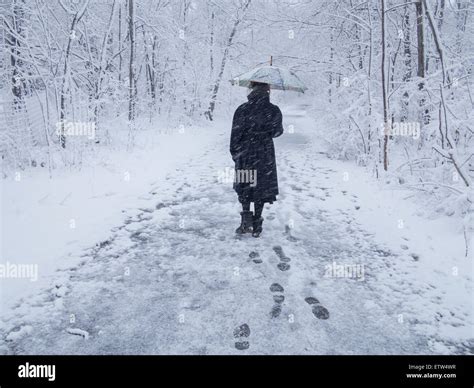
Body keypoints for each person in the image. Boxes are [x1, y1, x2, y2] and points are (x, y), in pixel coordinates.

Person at [230, 81, 284, 237]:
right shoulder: (273, 110)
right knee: (261, 187)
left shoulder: (242, 109)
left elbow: (235, 134)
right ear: (268, 90)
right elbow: (277, 132)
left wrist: (235, 154)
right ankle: (257, 224)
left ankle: (245, 222)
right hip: (264, 153)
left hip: (245, 153)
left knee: (246, 185)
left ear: (251, 89)